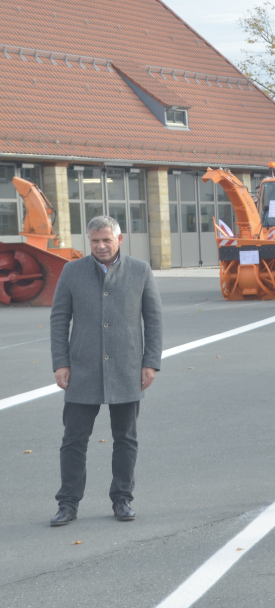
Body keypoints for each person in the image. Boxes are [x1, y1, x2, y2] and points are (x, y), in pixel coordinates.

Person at [49, 216, 162, 526]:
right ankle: (68, 503)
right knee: (73, 440)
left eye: (106, 240)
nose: (100, 246)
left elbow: (153, 320)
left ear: (119, 239)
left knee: (125, 438)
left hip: (127, 368)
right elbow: (59, 319)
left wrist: (150, 362)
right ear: (89, 240)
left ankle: (122, 499)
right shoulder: (72, 271)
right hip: (82, 369)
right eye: (94, 240)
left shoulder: (139, 271)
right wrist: (61, 362)